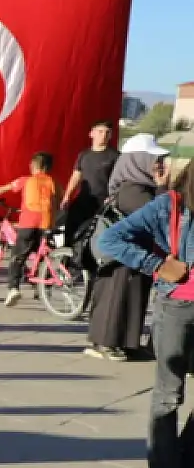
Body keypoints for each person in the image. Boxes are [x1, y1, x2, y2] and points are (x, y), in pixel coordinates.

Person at [96, 160, 194, 468]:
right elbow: (111, 239)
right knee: (169, 395)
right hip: (178, 308)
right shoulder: (170, 205)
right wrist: (158, 266)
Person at [87, 134, 170, 359]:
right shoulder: (134, 190)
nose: (159, 164)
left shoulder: (137, 188)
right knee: (116, 298)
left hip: (134, 256)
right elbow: (159, 217)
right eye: (154, 159)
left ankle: (126, 344)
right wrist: (163, 189)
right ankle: (105, 343)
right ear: (138, 160)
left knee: (131, 298)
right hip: (122, 258)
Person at [0, 152, 59, 307]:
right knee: (41, 254)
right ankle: (42, 288)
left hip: (28, 223)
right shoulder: (54, 183)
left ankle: (13, 289)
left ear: (34, 165)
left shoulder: (26, 180)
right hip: (47, 224)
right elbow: (59, 201)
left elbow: (4, 188)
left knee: (17, 257)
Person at [60, 120, 119, 246]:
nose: (104, 135)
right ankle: (68, 253)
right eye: (100, 131)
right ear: (91, 133)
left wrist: (112, 198)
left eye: (107, 132)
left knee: (94, 234)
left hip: (103, 202)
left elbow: (119, 180)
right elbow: (76, 176)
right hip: (84, 199)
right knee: (71, 227)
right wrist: (67, 196)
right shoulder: (84, 155)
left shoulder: (115, 156)